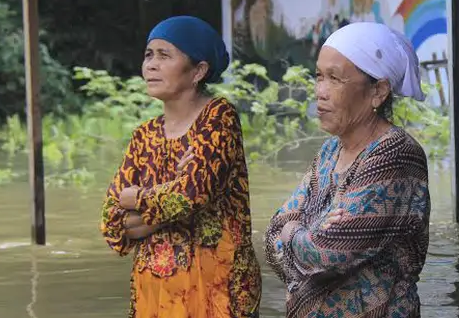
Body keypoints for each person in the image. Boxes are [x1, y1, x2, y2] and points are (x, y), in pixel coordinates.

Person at [99, 16, 262, 318]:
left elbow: (190, 196)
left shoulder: (218, 117)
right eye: (149, 55)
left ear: (198, 71)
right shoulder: (144, 136)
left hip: (218, 291)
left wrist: (136, 199)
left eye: (164, 55)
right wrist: (171, 192)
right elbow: (111, 223)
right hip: (154, 298)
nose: (151, 64)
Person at [265, 22, 431, 317]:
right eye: (318, 76)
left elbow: (329, 254)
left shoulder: (395, 154)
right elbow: (270, 239)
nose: (320, 92)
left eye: (335, 79)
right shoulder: (329, 152)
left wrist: (293, 231)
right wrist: (307, 231)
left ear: (378, 91)